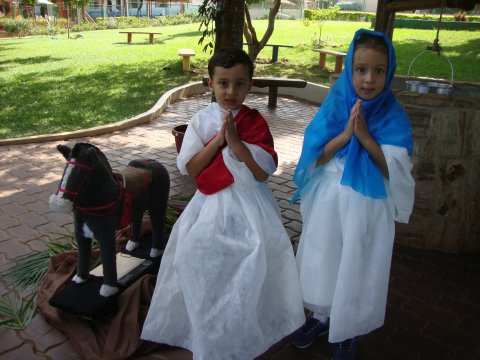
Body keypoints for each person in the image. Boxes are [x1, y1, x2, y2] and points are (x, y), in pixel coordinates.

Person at [141, 47, 305, 360]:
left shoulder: (255, 122)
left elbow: (260, 174)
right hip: (210, 205)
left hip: (249, 205)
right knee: (195, 258)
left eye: (239, 83)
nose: (231, 91)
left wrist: (237, 144)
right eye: (223, 83)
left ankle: (240, 325)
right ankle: (204, 325)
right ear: (210, 83)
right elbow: (190, 168)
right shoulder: (201, 120)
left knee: (249, 261)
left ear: (250, 85)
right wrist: (218, 141)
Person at [290, 29, 415, 359]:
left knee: (357, 265)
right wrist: (347, 134)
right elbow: (315, 154)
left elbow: (396, 169)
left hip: (367, 209)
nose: (369, 80)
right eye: (361, 70)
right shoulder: (336, 103)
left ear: (389, 73)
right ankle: (321, 316)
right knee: (324, 258)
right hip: (329, 205)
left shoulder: (393, 115)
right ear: (349, 69)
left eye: (379, 71)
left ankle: (349, 330)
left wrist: (365, 136)